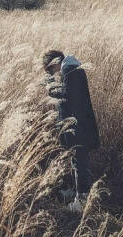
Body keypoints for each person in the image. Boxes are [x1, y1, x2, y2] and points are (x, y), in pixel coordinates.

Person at [42, 50, 100, 212]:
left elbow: (69, 96)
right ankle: (75, 192)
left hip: (79, 127)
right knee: (76, 161)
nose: (52, 73)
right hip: (77, 125)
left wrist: (51, 89)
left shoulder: (70, 71)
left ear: (54, 63)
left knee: (79, 162)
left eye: (49, 70)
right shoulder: (71, 69)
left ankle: (81, 201)